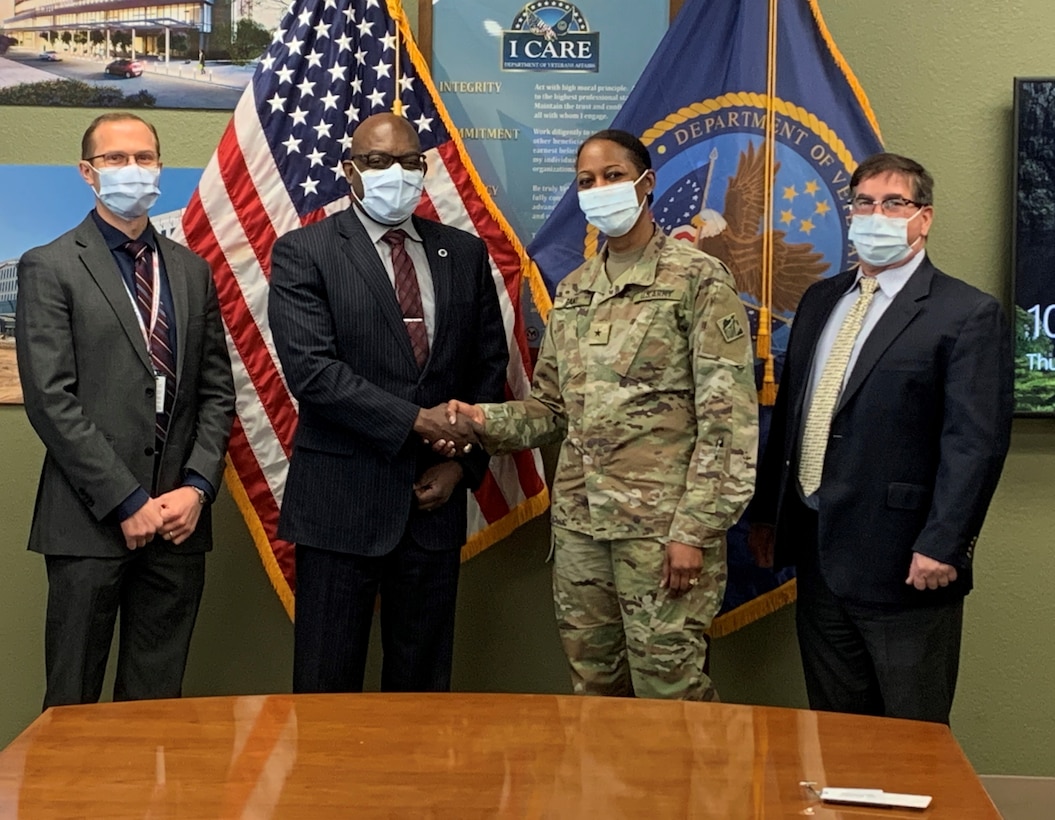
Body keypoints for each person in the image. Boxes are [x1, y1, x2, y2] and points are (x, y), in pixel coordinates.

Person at [444, 129, 758, 700]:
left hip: (662, 533)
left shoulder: (696, 279)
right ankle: (608, 795)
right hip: (581, 530)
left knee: (671, 691)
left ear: (646, 183)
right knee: (595, 688)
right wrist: (479, 421)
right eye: (586, 181)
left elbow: (728, 424)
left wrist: (695, 531)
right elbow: (550, 410)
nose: (599, 189)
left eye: (612, 176)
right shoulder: (575, 290)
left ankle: (689, 795)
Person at [747, 152, 1013, 724]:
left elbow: (976, 442)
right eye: (864, 202)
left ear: (924, 218)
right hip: (818, 555)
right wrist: (769, 516)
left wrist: (945, 542)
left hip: (906, 562)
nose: (877, 214)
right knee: (837, 727)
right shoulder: (822, 300)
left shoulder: (966, 313)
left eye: (895, 202)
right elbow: (794, 414)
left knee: (912, 734)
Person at [267, 112, 508, 694]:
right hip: (339, 509)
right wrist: (417, 422)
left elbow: (489, 370)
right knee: (327, 687)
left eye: (407, 162)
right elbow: (313, 372)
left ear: (424, 170)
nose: (394, 173)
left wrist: (462, 464)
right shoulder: (305, 252)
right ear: (350, 170)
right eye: (377, 162)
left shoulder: (466, 254)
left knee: (423, 689)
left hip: (434, 505)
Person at [16, 112, 235, 708]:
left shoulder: (191, 272)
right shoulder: (50, 265)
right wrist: (125, 500)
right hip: (89, 523)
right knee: (72, 703)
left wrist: (196, 488)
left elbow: (217, 392)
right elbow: (51, 400)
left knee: (155, 706)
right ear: (88, 173)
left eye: (145, 157)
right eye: (115, 159)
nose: (132, 170)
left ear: (160, 167)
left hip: (178, 523)